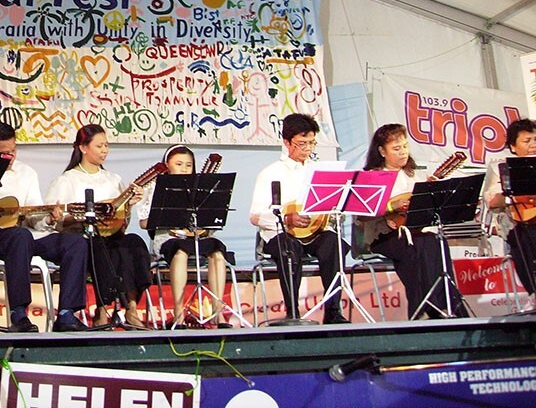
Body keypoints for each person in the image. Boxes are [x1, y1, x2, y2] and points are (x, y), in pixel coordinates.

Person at [0, 121, 88, 332]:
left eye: (14, 150)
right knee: (20, 237)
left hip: (25, 236)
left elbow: (34, 216)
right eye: (4, 153)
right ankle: (18, 314)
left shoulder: (26, 173)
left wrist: (48, 219)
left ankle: (66, 314)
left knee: (75, 243)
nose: (11, 157)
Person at [45, 124, 152, 328]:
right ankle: (102, 309)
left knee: (134, 243)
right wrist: (78, 218)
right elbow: (56, 220)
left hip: (112, 235)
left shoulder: (113, 179)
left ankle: (131, 308)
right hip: (83, 239)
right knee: (102, 248)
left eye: (106, 145)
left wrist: (127, 207)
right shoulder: (67, 180)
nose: (105, 150)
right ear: (83, 148)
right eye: (99, 145)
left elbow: (122, 222)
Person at [248, 113, 349, 324]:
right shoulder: (271, 173)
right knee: (289, 247)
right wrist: (286, 218)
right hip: (280, 234)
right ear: (287, 142)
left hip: (313, 232)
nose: (308, 149)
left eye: (312, 143)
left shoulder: (317, 171)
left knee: (334, 243)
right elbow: (255, 215)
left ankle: (333, 310)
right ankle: (292, 312)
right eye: (302, 143)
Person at [359, 123, 467, 319]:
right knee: (416, 247)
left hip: (414, 233)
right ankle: (427, 309)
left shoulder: (412, 175)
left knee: (436, 241)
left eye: (405, 147)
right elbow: (361, 215)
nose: (403, 153)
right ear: (382, 151)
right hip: (384, 236)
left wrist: (431, 194)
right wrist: (393, 206)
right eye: (396, 148)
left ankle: (443, 306)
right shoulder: (371, 176)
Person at [138, 145, 231, 327]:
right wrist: (165, 217)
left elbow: (212, 219)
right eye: (178, 164)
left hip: (196, 238)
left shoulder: (201, 188)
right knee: (180, 252)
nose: (184, 169)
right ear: (167, 166)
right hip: (168, 239)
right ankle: (179, 312)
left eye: (188, 165)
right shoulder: (155, 186)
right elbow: (143, 222)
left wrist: (204, 228)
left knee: (217, 253)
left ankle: (218, 312)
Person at [483, 118, 536, 310]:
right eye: (527, 141)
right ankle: (534, 293)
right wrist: (516, 194)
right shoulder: (500, 167)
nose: (533, 145)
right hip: (519, 224)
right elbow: (491, 201)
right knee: (521, 236)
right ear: (513, 146)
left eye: (535, 140)